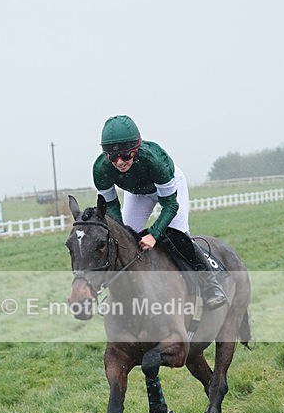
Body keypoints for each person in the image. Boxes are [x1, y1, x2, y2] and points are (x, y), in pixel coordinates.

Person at [93, 114, 228, 309]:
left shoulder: (154, 159)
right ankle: (120, 294)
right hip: (137, 193)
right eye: (113, 157)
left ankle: (211, 284)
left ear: (136, 150)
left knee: (178, 236)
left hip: (169, 190)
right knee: (122, 241)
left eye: (126, 155)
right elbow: (111, 208)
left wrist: (154, 235)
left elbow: (171, 205)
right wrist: (122, 232)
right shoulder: (100, 169)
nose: (120, 162)